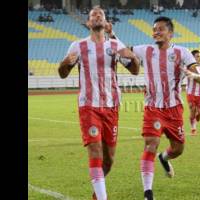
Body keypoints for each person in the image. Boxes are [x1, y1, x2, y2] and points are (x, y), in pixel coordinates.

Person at [109, 16, 200, 200]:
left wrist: (194, 74)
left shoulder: (182, 52)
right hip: (153, 108)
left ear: (170, 33)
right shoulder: (146, 50)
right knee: (151, 144)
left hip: (174, 109)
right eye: (154, 29)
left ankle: (164, 158)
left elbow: (195, 69)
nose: (156, 32)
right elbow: (123, 50)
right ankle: (148, 193)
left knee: (178, 149)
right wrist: (111, 33)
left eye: (161, 29)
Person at [58, 6, 140, 200]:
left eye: (100, 15)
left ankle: (96, 196)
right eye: (93, 16)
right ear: (88, 23)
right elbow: (62, 74)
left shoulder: (115, 46)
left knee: (109, 160)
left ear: (105, 23)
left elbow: (135, 70)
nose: (96, 17)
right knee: (95, 150)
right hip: (88, 106)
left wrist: (133, 57)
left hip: (111, 106)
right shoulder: (77, 46)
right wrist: (65, 64)